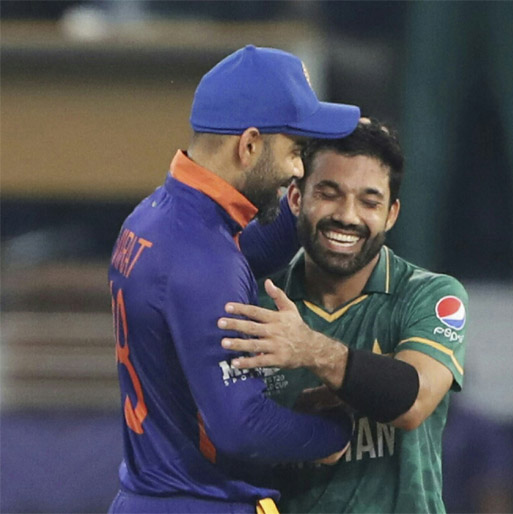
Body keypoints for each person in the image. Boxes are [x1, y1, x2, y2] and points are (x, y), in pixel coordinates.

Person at [107, 45, 362, 514]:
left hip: (151, 498)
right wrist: (339, 432)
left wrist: (311, 201)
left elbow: (241, 255)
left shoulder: (152, 218)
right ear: (249, 146)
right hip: (204, 502)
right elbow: (242, 426)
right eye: (295, 152)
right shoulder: (202, 257)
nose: (298, 169)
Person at [217, 119, 469, 513]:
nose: (348, 216)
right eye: (329, 194)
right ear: (296, 199)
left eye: (369, 202)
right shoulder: (254, 303)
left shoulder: (430, 295)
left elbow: (415, 400)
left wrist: (310, 349)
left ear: (391, 214)